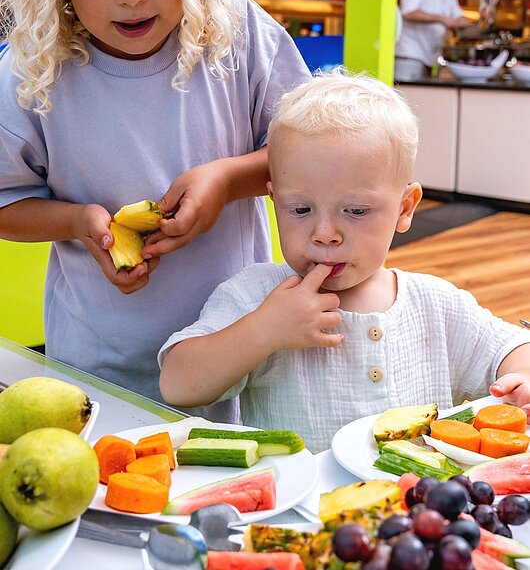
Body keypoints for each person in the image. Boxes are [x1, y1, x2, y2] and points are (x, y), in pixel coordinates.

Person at [0, 0, 310, 413]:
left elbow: (312, 156)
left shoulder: (237, 31)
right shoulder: (30, 67)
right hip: (97, 370)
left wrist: (227, 178)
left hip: (243, 352)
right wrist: (75, 223)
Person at [159, 71, 530, 452]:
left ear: (405, 208)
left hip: (418, 506)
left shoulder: (436, 304)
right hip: (301, 510)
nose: (325, 232)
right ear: (275, 200)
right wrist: (263, 330)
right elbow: (178, 384)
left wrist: (521, 376)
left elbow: (511, 348)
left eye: (355, 210)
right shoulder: (256, 295)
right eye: (300, 209)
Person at [394, 0, 471, 81]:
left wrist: (476, 23)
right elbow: (408, 12)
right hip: (410, 54)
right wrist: (441, 19)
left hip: (432, 57)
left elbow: (456, 14)